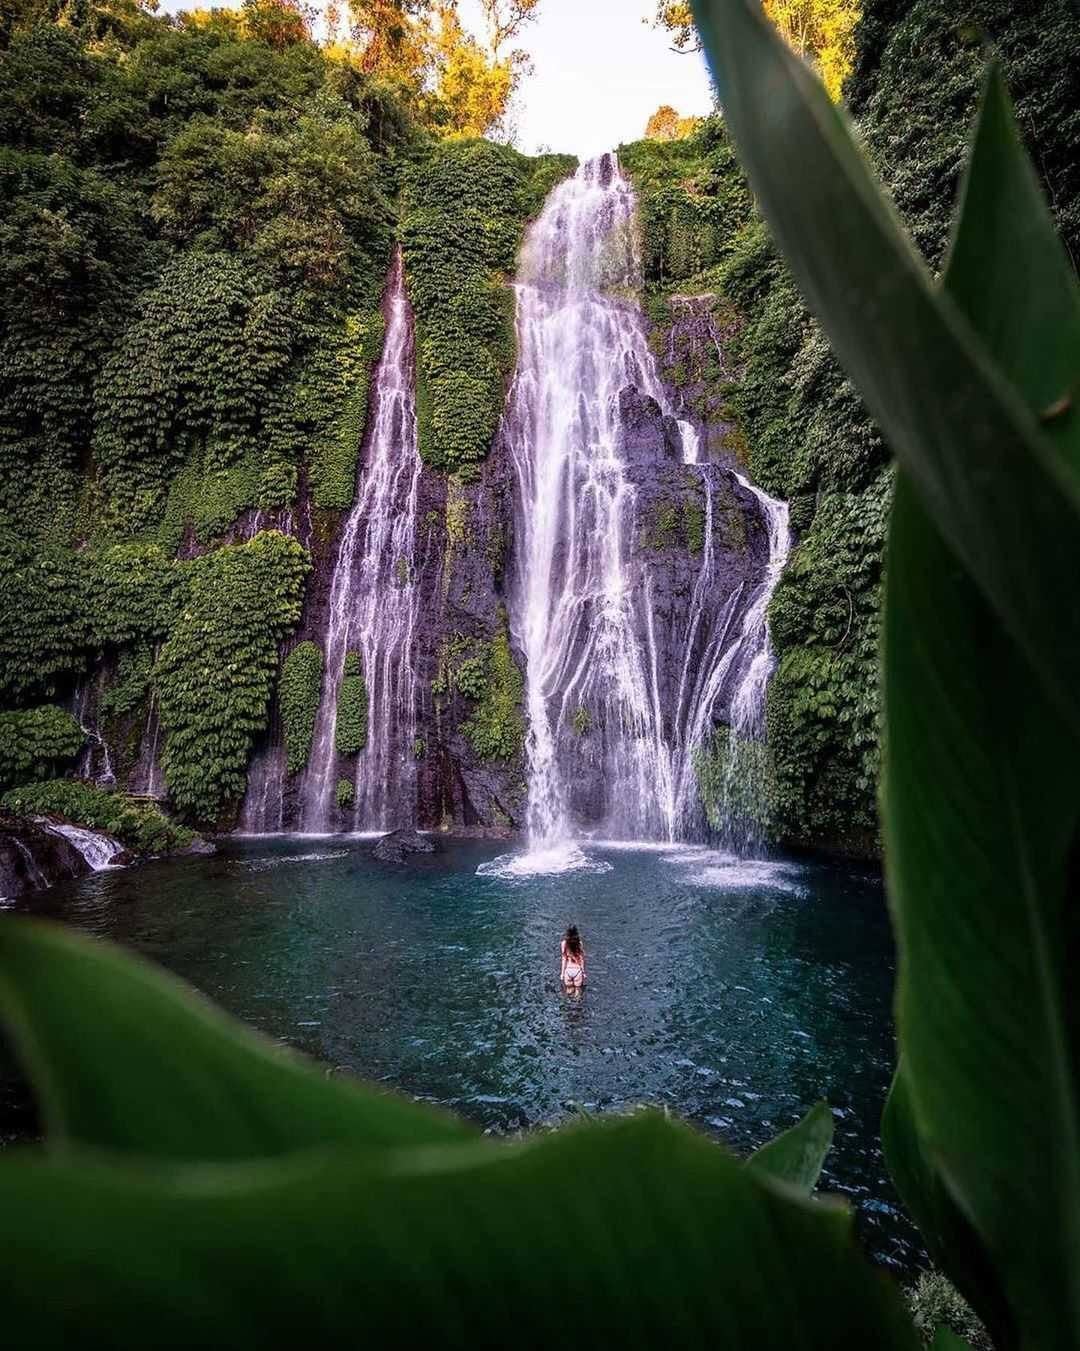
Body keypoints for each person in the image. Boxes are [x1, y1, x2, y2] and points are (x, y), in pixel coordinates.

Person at [560, 925, 586, 989]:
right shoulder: (579, 943)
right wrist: (583, 972)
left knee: (569, 992)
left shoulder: (564, 943)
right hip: (577, 970)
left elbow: (564, 959)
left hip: (568, 970)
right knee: (578, 995)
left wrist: (562, 974)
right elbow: (581, 959)